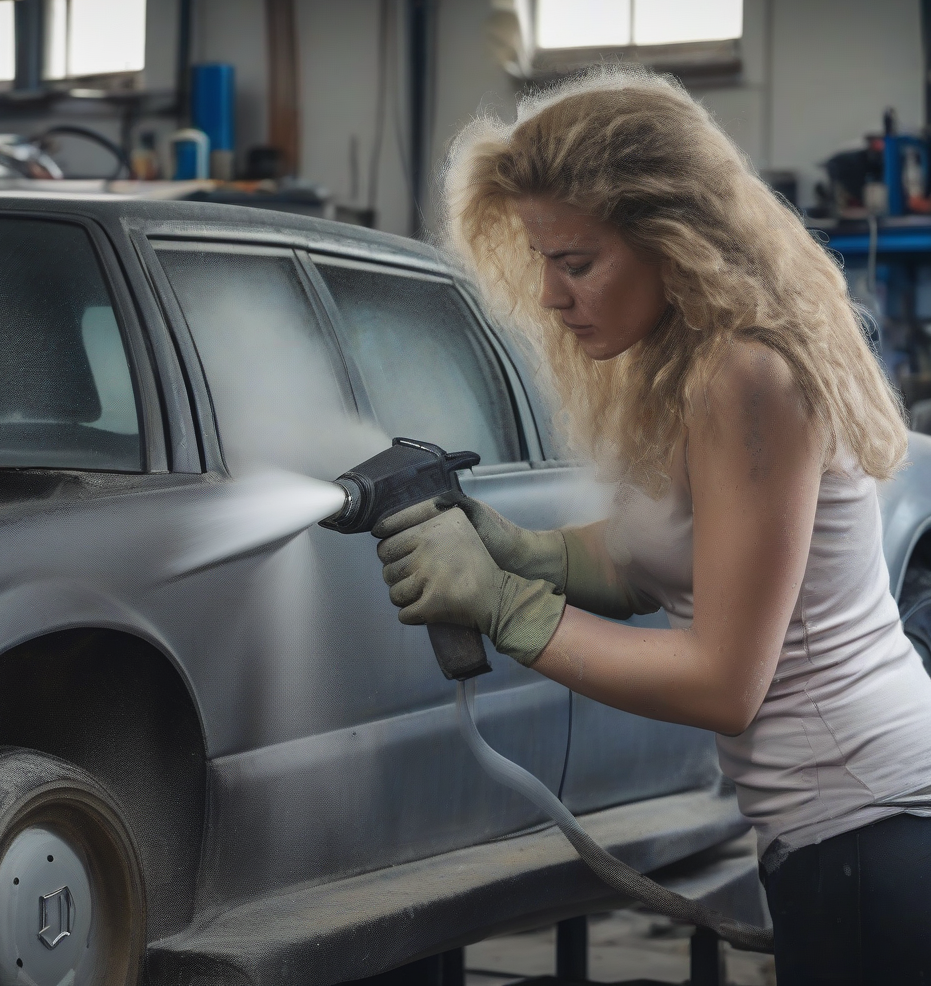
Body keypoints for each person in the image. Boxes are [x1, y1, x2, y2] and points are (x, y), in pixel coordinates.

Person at [372, 69, 931, 984]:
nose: (550, 295)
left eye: (577, 262)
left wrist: (509, 606)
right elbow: (664, 562)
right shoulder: (697, 363)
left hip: (869, 828)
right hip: (838, 830)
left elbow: (723, 685)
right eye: (544, 259)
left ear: (674, 241)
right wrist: (531, 551)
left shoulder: (748, 376)